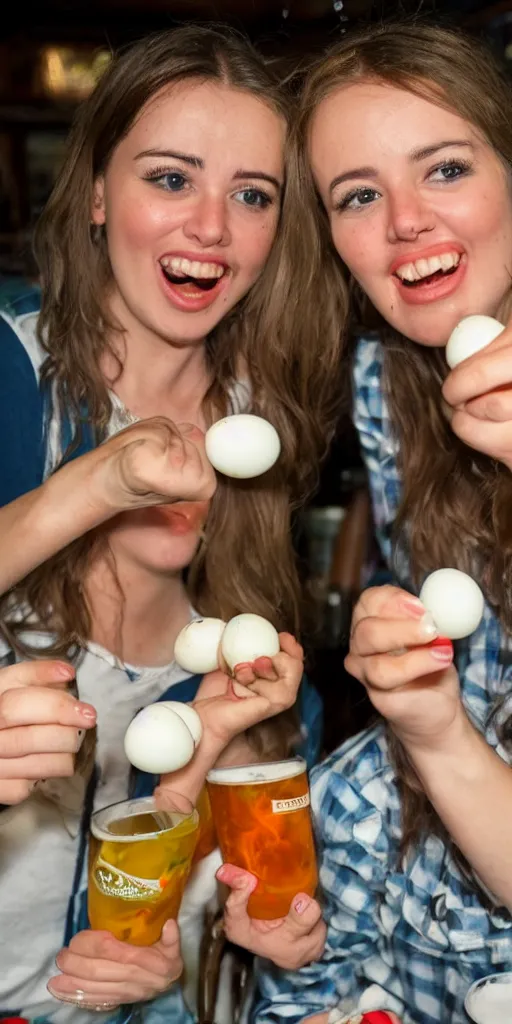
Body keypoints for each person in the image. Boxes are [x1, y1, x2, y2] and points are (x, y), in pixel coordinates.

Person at [0, 22, 333, 1024]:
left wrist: (164, 947)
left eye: (252, 195)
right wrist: (91, 485)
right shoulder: (11, 378)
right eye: (170, 178)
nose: (212, 229)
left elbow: (215, 870)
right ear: (98, 193)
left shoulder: (262, 442)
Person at [251, 20, 512, 1024]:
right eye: (357, 195)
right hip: (423, 861)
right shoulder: (383, 383)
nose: (404, 223)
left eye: (443, 167)